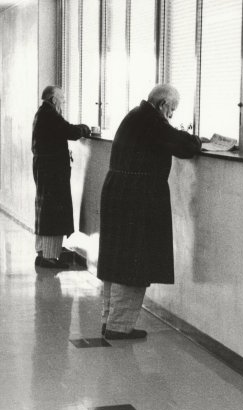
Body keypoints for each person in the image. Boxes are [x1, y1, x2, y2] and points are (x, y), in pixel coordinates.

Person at [97, 84, 202, 340]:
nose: (172, 116)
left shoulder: (136, 115)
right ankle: (118, 327)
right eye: (172, 110)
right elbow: (185, 147)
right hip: (136, 197)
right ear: (163, 105)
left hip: (119, 192)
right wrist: (197, 139)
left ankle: (110, 320)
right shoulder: (152, 121)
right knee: (133, 263)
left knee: (117, 262)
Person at [32, 86, 90, 268]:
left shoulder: (43, 113)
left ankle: (43, 252)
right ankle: (49, 257)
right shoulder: (50, 115)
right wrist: (84, 129)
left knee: (46, 210)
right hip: (52, 171)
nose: (64, 102)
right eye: (62, 99)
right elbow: (70, 132)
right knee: (53, 211)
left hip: (45, 169)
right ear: (54, 99)